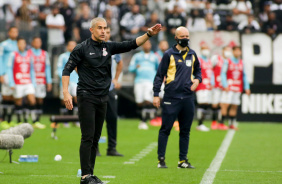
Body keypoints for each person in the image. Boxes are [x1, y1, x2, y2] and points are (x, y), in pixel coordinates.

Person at [62, 17, 162, 184]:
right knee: (87, 137)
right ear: (91, 30)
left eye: (105, 28)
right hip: (86, 96)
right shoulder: (81, 49)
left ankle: (90, 174)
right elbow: (66, 71)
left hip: (103, 97)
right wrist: (66, 93)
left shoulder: (108, 47)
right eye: (100, 28)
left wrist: (148, 34)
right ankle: (85, 176)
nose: (103, 31)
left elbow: (131, 44)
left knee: (95, 137)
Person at [153, 26, 201, 169]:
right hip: (171, 97)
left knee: (185, 130)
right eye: (182, 36)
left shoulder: (192, 54)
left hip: (187, 97)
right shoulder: (168, 54)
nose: (185, 39)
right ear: (176, 38)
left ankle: (183, 160)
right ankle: (161, 159)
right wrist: (156, 94)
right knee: (165, 129)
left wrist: (198, 80)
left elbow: (198, 71)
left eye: (187, 36)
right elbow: (159, 75)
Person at [97, 27, 124, 157]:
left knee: (112, 118)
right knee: (96, 120)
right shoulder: (92, 47)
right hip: (95, 90)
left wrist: (116, 79)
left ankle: (111, 148)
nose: (106, 34)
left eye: (108, 32)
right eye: (104, 32)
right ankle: (94, 148)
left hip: (110, 89)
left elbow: (120, 63)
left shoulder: (113, 48)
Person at [7, 38, 45, 129]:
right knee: (19, 102)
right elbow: (9, 69)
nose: (22, 45)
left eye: (23, 43)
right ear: (17, 45)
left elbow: (31, 69)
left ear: (25, 45)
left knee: (32, 100)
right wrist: (11, 82)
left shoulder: (29, 55)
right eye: (20, 43)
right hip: (18, 82)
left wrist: (34, 82)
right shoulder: (13, 55)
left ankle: (35, 121)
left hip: (28, 81)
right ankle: (20, 121)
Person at [128, 40, 159, 130]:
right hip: (139, 81)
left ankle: (145, 120)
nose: (146, 46)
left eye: (148, 44)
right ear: (142, 46)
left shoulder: (154, 57)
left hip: (150, 81)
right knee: (139, 102)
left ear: (150, 45)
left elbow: (158, 69)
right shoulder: (137, 56)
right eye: (145, 44)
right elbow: (131, 68)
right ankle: (142, 120)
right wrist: (135, 67)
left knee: (147, 99)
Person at [220, 46, 251, 130]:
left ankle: (231, 124)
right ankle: (221, 123)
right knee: (225, 104)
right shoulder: (228, 61)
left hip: (237, 87)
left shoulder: (241, 62)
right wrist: (225, 84)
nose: (237, 53)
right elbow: (222, 73)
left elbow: (244, 76)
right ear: (233, 52)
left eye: (239, 51)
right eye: (236, 51)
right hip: (229, 86)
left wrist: (247, 87)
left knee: (234, 105)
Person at [29, 37, 52, 124]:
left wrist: (48, 81)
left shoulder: (44, 54)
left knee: (40, 99)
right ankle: (33, 118)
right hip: (31, 80)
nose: (38, 43)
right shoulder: (29, 53)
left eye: (39, 42)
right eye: (36, 42)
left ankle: (38, 119)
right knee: (32, 99)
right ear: (33, 43)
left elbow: (47, 68)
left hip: (41, 80)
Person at [0, 27, 19, 129]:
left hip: (16, 74)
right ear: (9, 33)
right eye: (12, 31)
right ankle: (3, 119)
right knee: (5, 96)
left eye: (16, 32)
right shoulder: (3, 45)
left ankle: (10, 119)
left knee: (13, 96)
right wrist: (1, 73)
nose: (14, 33)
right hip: (6, 73)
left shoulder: (19, 45)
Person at [210, 46, 232, 130]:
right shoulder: (216, 58)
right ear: (223, 51)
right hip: (216, 85)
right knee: (215, 104)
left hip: (224, 86)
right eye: (227, 50)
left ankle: (220, 122)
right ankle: (214, 122)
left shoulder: (228, 61)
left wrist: (227, 84)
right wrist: (211, 81)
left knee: (223, 104)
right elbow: (210, 69)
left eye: (229, 50)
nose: (228, 52)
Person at [57, 40, 79, 126]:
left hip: (76, 81)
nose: (72, 47)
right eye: (71, 45)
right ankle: (65, 120)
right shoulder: (62, 57)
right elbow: (59, 69)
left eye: (74, 45)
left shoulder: (79, 56)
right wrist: (64, 78)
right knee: (64, 100)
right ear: (67, 47)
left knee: (77, 99)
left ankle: (76, 119)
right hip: (66, 82)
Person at [195, 44, 214, 132]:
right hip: (201, 85)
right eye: (205, 49)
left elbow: (211, 73)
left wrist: (212, 83)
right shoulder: (199, 60)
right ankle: (200, 124)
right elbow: (194, 70)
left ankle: (201, 123)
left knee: (206, 104)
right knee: (202, 103)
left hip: (208, 86)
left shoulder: (209, 61)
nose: (206, 51)